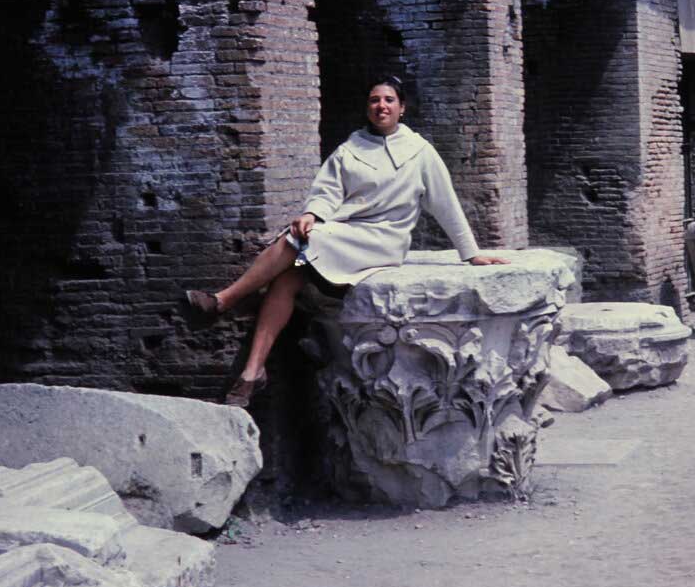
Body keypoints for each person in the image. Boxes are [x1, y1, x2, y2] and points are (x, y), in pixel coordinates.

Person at [184, 76, 508, 406]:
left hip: (383, 240)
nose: (381, 105)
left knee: (296, 245)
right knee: (288, 274)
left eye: (388, 100)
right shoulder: (350, 149)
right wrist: (311, 214)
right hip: (344, 233)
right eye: (374, 100)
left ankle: (224, 300)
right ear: (367, 108)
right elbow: (327, 193)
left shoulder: (421, 153)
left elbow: (446, 204)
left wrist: (471, 254)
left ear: (402, 108)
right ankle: (252, 373)